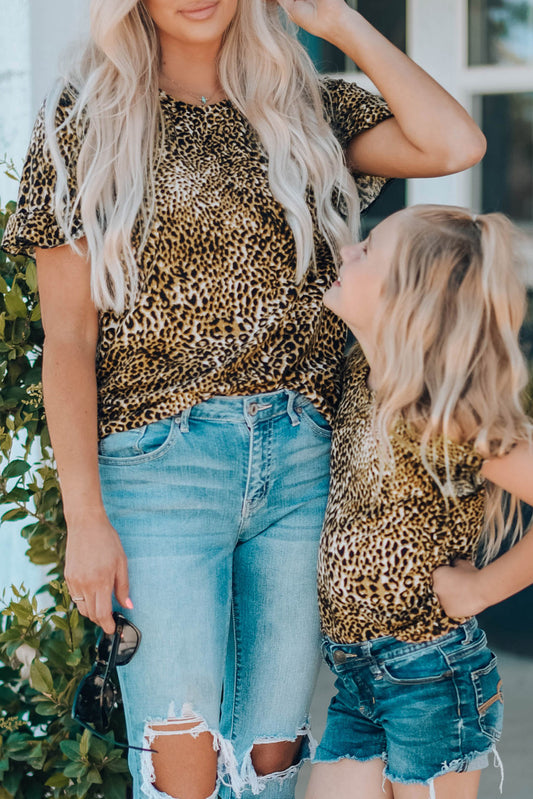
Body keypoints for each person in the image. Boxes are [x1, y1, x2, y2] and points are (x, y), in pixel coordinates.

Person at [1, 0, 485, 796]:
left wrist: (341, 23)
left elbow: (455, 142)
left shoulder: (307, 106)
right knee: (177, 769)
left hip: (302, 462)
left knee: (270, 764)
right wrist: (85, 517)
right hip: (159, 470)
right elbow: (70, 341)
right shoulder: (83, 119)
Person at [306, 204, 533, 799]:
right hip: (355, 675)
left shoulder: (442, 412)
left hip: (433, 676)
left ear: (408, 297)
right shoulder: (357, 374)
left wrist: (482, 589)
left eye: (368, 249)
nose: (348, 250)